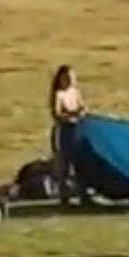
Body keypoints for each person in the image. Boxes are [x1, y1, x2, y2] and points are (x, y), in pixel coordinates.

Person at [48, 64, 87, 205]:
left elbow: (82, 107)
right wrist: (71, 114)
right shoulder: (58, 94)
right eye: (67, 78)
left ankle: (83, 193)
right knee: (64, 163)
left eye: (72, 77)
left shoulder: (75, 91)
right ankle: (64, 196)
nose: (70, 80)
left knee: (81, 162)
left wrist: (81, 113)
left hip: (77, 129)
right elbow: (56, 114)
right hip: (64, 131)